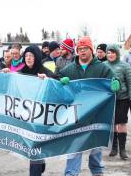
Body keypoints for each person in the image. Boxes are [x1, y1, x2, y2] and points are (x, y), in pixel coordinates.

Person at [60, 37, 116, 176]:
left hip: (96, 118)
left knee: (96, 155)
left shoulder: (102, 68)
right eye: (79, 49)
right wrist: (60, 81)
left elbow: (114, 81)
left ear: (91, 50)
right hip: (76, 118)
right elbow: (56, 82)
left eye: (85, 48)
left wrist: (116, 83)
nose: (82, 51)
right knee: (73, 153)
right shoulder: (69, 69)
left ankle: (97, 173)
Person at [18, 45, 58, 176]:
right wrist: (7, 75)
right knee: (32, 148)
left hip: (41, 116)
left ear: (37, 57)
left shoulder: (44, 71)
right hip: (26, 115)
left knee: (35, 147)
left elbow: (57, 85)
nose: (28, 58)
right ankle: (40, 162)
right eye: (26, 56)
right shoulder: (21, 72)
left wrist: (47, 81)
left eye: (31, 56)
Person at [105, 44, 131, 160]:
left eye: (113, 52)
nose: (110, 54)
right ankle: (114, 147)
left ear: (117, 54)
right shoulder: (103, 66)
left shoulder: (125, 66)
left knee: (121, 122)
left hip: (123, 99)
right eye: (108, 52)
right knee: (112, 123)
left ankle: (122, 149)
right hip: (108, 100)